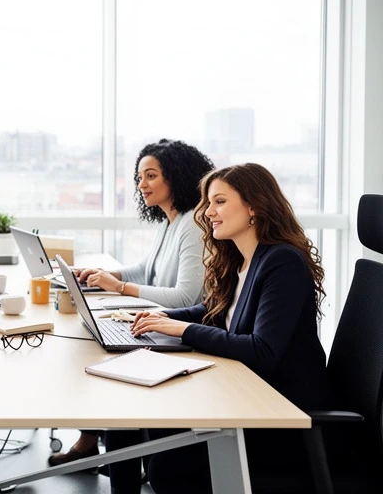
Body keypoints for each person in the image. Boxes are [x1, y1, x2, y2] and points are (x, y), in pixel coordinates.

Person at [106, 163, 333, 494]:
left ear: (254, 206)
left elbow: (262, 350)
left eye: (220, 202)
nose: (208, 212)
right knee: (142, 419)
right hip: (245, 396)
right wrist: (159, 318)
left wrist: (181, 330)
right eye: (209, 202)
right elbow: (214, 313)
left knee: (167, 466)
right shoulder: (241, 259)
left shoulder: (282, 263)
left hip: (281, 418)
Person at [49, 139, 215, 468]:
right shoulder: (171, 220)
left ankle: (104, 452)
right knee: (91, 349)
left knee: (107, 372)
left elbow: (186, 296)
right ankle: (95, 444)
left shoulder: (193, 225)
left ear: (176, 176)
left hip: (181, 335)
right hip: (158, 325)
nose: (141, 185)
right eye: (140, 177)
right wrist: (104, 275)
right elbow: (146, 269)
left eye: (151, 176)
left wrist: (120, 287)